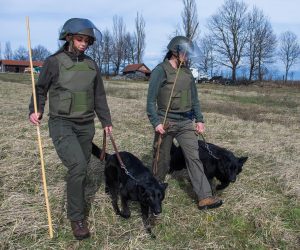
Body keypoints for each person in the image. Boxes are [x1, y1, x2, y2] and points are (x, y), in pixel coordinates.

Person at [29, 18, 112, 240]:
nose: (84, 43)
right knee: (78, 165)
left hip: (86, 125)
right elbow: (40, 89)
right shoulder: (54, 62)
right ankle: (77, 218)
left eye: (87, 40)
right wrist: (35, 110)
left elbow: (99, 96)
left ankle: (76, 198)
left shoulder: (92, 65)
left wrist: (106, 121)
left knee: (82, 169)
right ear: (68, 37)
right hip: (61, 123)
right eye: (79, 39)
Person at [146, 36, 222, 210]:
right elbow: (150, 101)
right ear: (175, 51)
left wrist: (200, 119)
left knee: (193, 157)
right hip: (166, 122)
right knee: (162, 159)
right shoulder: (161, 70)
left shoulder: (187, 73)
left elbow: (194, 99)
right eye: (185, 53)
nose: (187, 56)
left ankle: (204, 197)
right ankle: (152, 192)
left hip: (186, 122)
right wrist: (156, 122)